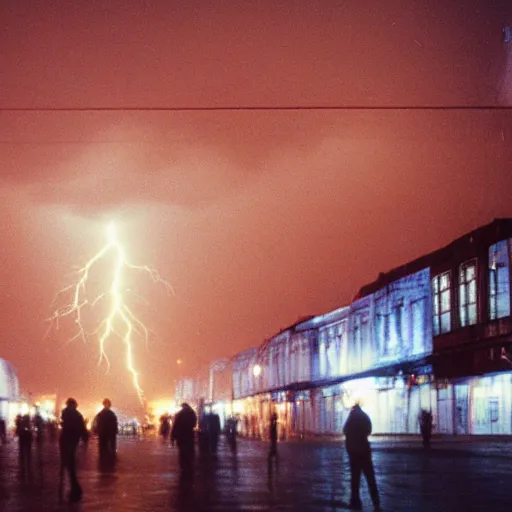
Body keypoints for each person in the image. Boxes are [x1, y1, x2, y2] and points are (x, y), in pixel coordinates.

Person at [343, 403, 380, 511]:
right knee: (370, 478)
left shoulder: (351, 417)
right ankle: (376, 503)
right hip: (364, 451)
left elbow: (345, 431)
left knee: (355, 479)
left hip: (355, 453)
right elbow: (369, 430)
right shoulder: (364, 416)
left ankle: (355, 502)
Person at [60, 398, 87, 502]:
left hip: (66, 441)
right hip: (71, 441)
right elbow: (81, 428)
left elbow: (65, 427)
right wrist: (84, 438)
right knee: (70, 465)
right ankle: (75, 488)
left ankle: (75, 488)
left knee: (68, 465)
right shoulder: (77, 415)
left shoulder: (66, 413)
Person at [171, 403, 197, 472]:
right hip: (189, 435)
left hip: (181, 436)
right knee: (189, 450)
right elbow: (194, 424)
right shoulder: (192, 413)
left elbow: (175, 426)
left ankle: (183, 465)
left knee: (182, 451)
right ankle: (189, 464)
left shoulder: (180, 414)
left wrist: (173, 437)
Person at [16, 414, 33, 479]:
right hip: (25, 439)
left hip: (24, 439)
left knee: (24, 451)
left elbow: (20, 431)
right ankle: (25, 461)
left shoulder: (25, 423)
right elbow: (27, 431)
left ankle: (25, 461)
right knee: (25, 451)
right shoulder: (26, 424)